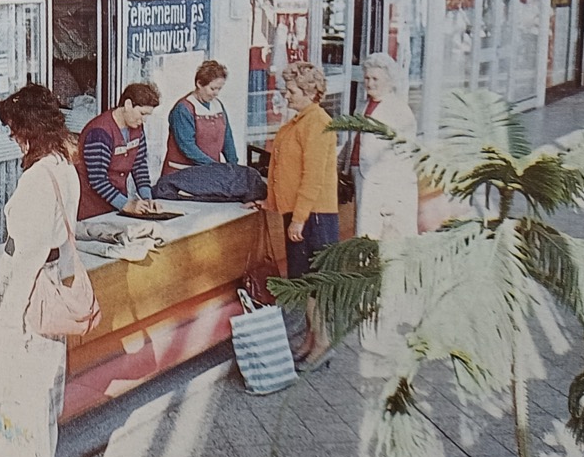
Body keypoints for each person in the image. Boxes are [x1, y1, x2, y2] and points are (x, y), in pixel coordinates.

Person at [0, 83, 78, 457]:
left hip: (29, 297)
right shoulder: (63, 165)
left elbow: (28, 256)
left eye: (14, 129)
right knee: (45, 403)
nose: (11, 137)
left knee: (29, 403)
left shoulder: (38, 179)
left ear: (28, 129)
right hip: (51, 287)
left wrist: (8, 324)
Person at [251, 61, 338, 366]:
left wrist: (299, 219)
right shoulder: (298, 122)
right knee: (304, 280)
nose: (285, 95)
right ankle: (312, 338)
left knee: (312, 281)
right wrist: (269, 202)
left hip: (314, 216)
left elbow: (312, 177)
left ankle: (323, 342)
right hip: (302, 214)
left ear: (310, 92)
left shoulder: (318, 123)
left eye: (291, 91)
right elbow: (282, 170)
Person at [353, 53, 419, 240]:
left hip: (384, 184)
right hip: (361, 176)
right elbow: (356, 141)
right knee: (363, 228)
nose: (370, 83)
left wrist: (392, 197)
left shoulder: (399, 110)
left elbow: (404, 156)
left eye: (375, 79)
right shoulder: (362, 107)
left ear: (389, 81)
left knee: (379, 232)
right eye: (367, 78)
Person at [75, 82, 162, 219]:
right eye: (142, 113)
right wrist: (126, 204)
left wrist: (147, 199)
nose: (144, 120)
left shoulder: (137, 128)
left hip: (116, 206)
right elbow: (97, 179)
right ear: (128, 104)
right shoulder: (99, 132)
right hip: (92, 209)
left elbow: (139, 165)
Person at [161, 59, 239, 176]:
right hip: (182, 172)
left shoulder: (218, 106)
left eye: (219, 89)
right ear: (199, 84)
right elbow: (187, 146)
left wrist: (234, 167)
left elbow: (227, 139)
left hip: (209, 171)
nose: (216, 93)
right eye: (212, 88)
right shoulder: (183, 109)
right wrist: (214, 166)